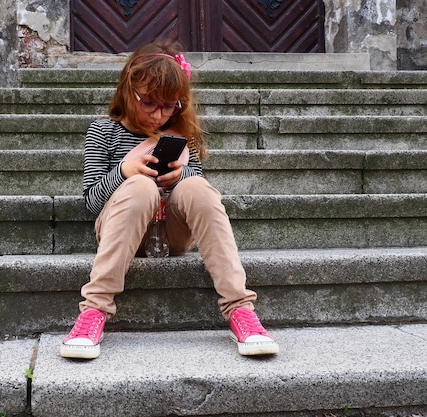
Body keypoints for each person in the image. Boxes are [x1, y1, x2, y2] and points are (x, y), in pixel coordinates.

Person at [59, 41, 278, 359]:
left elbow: (197, 196)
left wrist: (182, 175)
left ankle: (240, 310)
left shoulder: (180, 137)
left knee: (199, 188)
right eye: (148, 103)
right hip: (122, 232)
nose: (158, 114)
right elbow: (91, 202)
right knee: (140, 187)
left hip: (172, 234)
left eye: (169, 106)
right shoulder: (104, 132)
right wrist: (124, 172)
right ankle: (93, 311)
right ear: (127, 90)